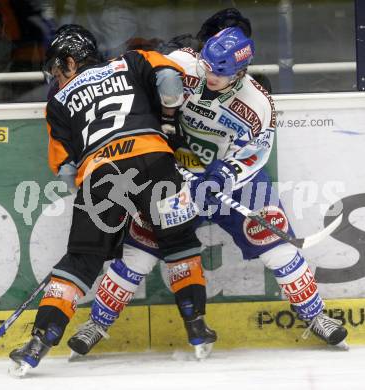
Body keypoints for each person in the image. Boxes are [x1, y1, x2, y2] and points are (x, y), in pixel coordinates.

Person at [67, 27, 348, 358]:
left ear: (241, 71)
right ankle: (98, 323)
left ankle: (316, 316)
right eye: (209, 66)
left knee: (277, 247)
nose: (210, 75)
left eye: (221, 72)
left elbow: (255, 153)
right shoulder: (184, 65)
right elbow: (131, 75)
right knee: (140, 249)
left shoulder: (258, 103)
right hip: (174, 176)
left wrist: (223, 177)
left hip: (236, 183)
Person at [8, 24, 216, 376]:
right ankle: (196, 326)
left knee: (81, 260)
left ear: (71, 62)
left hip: (100, 176)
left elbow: (64, 169)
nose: (56, 77)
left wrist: (107, 214)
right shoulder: (131, 62)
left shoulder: (57, 102)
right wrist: (167, 122)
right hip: (155, 161)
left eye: (58, 69)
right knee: (178, 241)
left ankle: (39, 340)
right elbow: (169, 82)